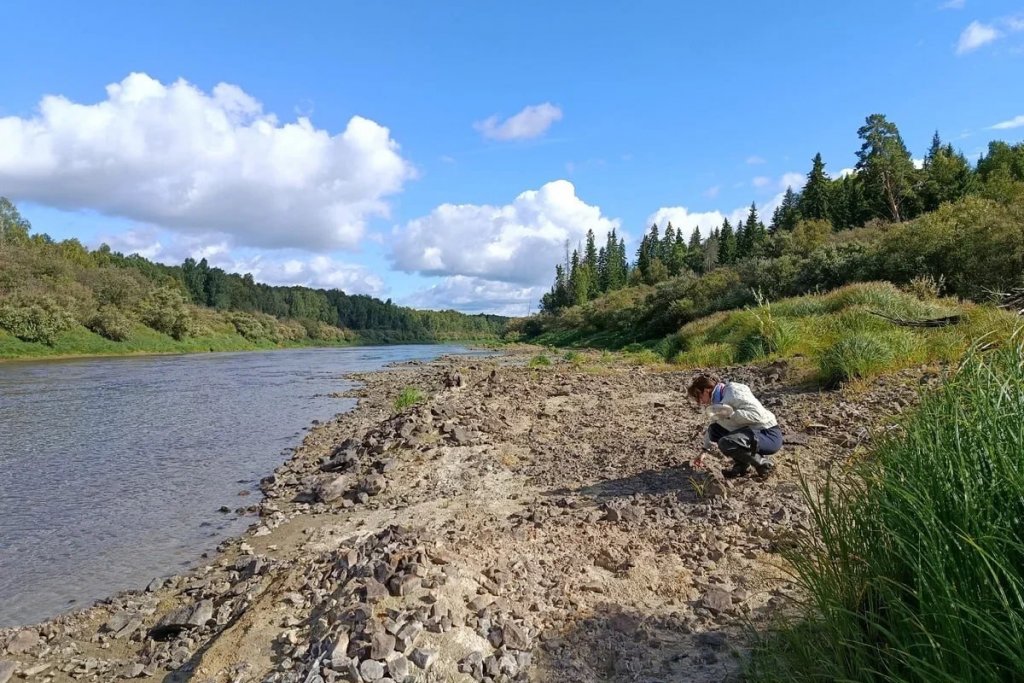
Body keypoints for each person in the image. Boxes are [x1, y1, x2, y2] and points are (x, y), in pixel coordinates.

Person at [687, 374, 782, 479]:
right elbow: (714, 428)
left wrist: (730, 415)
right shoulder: (717, 402)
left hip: (768, 435)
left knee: (727, 442)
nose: (700, 402)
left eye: (698, 396)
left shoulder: (733, 392)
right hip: (751, 433)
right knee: (715, 430)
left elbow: (757, 415)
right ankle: (742, 465)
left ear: (706, 390)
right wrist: (704, 451)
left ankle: (764, 465)